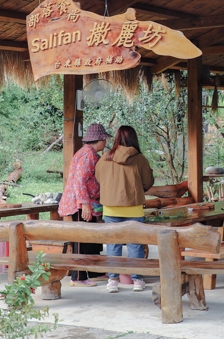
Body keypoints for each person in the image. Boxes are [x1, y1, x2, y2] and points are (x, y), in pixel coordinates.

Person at [95, 125, 155, 292]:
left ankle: (113, 281)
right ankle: (137, 280)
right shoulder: (140, 159)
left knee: (113, 244)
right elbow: (148, 182)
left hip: (111, 208)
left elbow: (99, 178)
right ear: (133, 139)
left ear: (116, 138)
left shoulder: (105, 158)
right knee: (135, 245)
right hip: (133, 208)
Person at [58, 123, 110, 286]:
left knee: (92, 239)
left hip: (87, 201)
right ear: (99, 140)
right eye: (105, 140)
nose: (106, 143)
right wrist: (85, 204)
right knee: (81, 239)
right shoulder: (88, 155)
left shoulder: (88, 153)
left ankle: (94, 271)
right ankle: (78, 277)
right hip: (79, 203)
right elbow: (80, 181)